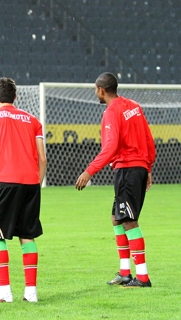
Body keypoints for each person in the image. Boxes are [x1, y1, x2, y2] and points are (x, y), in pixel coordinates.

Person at [75, 72, 156, 288]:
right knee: (116, 218)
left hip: (128, 170)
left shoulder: (111, 112)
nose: (95, 93)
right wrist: (148, 167)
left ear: (101, 90)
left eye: (95, 89)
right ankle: (124, 273)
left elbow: (110, 147)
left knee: (129, 220)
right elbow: (148, 138)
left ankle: (143, 277)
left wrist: (89, 171)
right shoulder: (134, 106)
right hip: (137, 167)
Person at [0, 77, 47, 303]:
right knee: (27, 236)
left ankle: (4, 291)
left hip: (5, 182)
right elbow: (43, 158)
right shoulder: (32, 120)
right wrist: (36, 183)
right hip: (31, 183)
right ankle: (31, 292)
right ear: (16, 97)